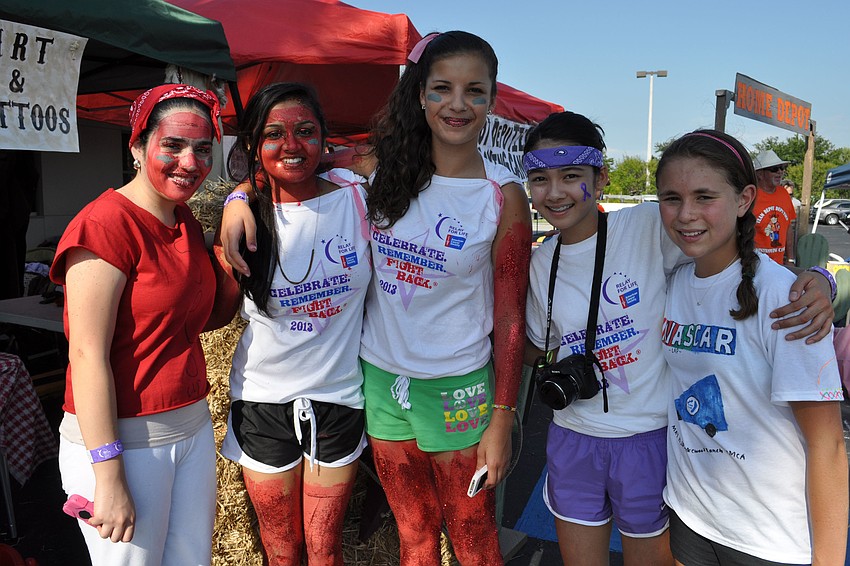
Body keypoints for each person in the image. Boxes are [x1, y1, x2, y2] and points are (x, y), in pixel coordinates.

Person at [222, 31, 531, 565]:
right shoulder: (373, 168)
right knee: (413, 535)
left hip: (458, 388)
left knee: (472, 534)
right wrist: (236, 198)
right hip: (381, 384)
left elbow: (509, 316)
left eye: (474, 91)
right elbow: (289, 163)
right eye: (442, 89)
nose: (457, 105)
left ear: (491, 97)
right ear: (419, 94)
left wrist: (503, 414)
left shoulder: (502, 195)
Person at [522, 113, 836, 566]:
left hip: (649, 438)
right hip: (574, 436)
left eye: (571, 176)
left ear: (601, 176)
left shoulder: (650, 224)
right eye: (540, 179)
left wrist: (819, 277)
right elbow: (539, 343)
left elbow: (725, 246)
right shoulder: (542, 260)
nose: (556, 192)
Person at [49, 84, 241, 566]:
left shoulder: (186, 222)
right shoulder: (104, 225)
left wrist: (237, 212)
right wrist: (108, 474)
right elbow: (86, 355)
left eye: (202, 148)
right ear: (137, 146)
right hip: (125, 445)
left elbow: (207, 318)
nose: (189, 162)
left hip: (191, 430)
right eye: (172, 145)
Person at [656, 130, 848, 565]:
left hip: (768, 538)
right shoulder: (674, 282)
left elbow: (829, 446)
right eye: (671, 198)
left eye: (705, 197)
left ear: (744, 200)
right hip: (691, 514)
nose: (686, 215)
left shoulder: (786, 298)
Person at [217, 83, 370, 565]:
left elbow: (393, 153)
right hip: (262, 401)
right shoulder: (243, 220)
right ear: (251, 147)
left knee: (326, 552)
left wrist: (237, 194)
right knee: (281, 552)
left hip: (339, 397)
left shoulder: (359, 199)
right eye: (274, 134)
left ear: (324, 140)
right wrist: (236, 199)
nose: (290, 145)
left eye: (305, 132)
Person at [752, 149, 795, 265]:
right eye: (774, 169)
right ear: (759, 174)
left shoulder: (784, 194)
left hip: (779, 265)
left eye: (782, 168)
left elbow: (788, 228)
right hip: (755, 264)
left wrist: (791, 259)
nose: (780, 172)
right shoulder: (750, 196)